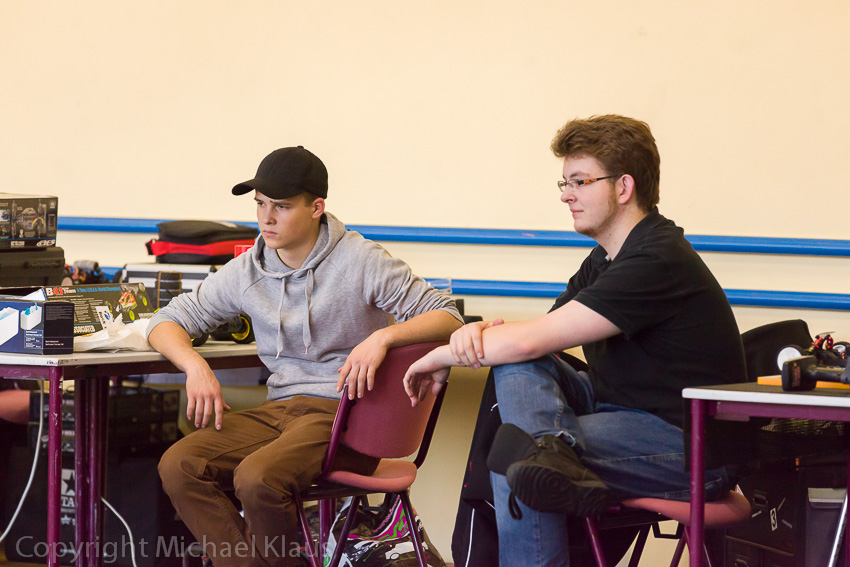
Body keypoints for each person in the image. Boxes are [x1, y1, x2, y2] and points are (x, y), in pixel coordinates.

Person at [404, 115, 746, 566]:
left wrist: (445, 353)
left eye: (580, 181)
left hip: (691, 447)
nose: (567, 194)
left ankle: (544, 456)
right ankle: (551, 450)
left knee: (515, 454)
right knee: (518, 376)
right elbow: (538, 339)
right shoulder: (606, 258)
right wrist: (481, 334)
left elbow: (531, 339)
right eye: (565, 183)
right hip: (621, 411)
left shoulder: (657, 258)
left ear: (623, 187)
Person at [149, 146, 463, 567]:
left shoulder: (359, 260)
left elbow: (448, 316)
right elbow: (166, 320)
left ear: (316, 208)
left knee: (258, 478)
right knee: (179, 465)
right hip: (280, 410)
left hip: (346, 412)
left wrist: (384, 337)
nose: (266, 218)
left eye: (281, 206)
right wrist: (195, 366)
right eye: (260, 204)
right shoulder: (248, 269)